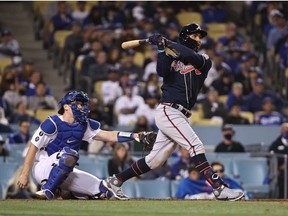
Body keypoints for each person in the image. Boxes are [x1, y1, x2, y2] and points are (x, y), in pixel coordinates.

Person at [102, 23, 244, 201]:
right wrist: (161, 49)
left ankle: (115, 181)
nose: (198, 39)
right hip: (168, 110)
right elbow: (161, 70)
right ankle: (218, 187)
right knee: (195, 146)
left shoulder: (204, 60)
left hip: (181, 114)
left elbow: (189, 55)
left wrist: (165, 41)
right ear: (185, 37)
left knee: (155, 160)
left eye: (200, 37)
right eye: (195, 36)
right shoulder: (171, 59)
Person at [17, 91, 149, 200]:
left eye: (82, 104)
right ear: (66, 106)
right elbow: (33, 147)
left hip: (65, 171)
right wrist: (24, 174)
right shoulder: (52, 122)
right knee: (68, 154)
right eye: (78, 104)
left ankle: (66, 192)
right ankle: (47, 190)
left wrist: (134, 136)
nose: (81, 107)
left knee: (102, 191)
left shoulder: (83, 125)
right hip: (43, 167)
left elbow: (109, 135)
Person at [269, 122, 288, 198]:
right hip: (281, 171)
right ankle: (282, 199)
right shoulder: (276, 144)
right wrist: (279, 167)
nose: (286, 132)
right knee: (282, 177)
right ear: (281, 131)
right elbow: (271, 158)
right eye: (284, 130)